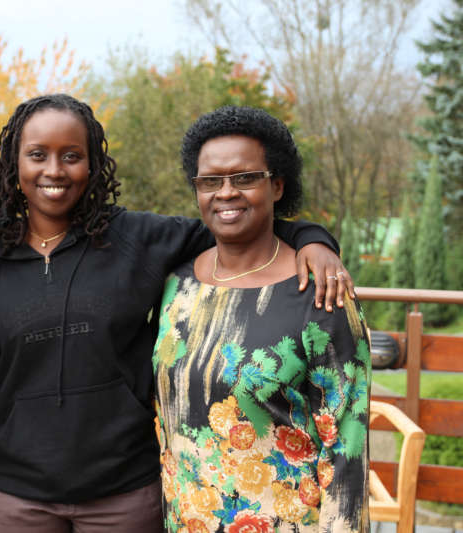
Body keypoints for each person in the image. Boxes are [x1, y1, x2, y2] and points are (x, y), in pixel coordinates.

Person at [0, 94, 354, 533]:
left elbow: (234, 220)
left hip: (123, 493)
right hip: (17, 495)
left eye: (72, 156)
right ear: (14, 163)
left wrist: (313, 239)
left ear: (92, 164)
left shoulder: (138, 239)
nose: (54, 170)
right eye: (37, 155)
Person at [154, 106, 370, 532]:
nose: (226, 192)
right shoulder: (175, 286)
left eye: (245, 177)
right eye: (210, 181)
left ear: (276, 185)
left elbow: (347, 447)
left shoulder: (319, 292)